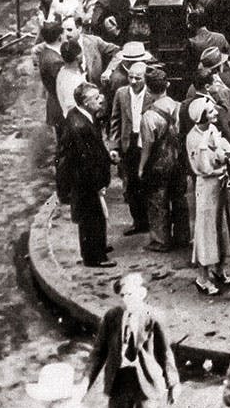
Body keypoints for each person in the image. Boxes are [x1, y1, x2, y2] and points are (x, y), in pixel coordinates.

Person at [84, 273, 179, 408]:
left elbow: (165, 352)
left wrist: (173, 383)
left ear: (142, 294)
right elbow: (98, 353)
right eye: (122, 295)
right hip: (118, 380)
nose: (125, 300)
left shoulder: (153, 317)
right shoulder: (112, 316)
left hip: (146, 380)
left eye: (129, 294)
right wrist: (85, 381)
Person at [57, 82, 115, 267]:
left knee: (95, 216)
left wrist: (107, 156)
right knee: (92, 217)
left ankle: (98, 246)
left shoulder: (82, 116)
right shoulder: (80, 126)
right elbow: (86, 161)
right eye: (96, 98)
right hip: (86, 181)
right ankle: (94, 257)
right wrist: (99, 184)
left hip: (85, 179)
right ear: (85, 102)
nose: (101, 99)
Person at [186, 97, 230, 295]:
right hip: (207, 187)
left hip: (221, 184)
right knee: (206, 230)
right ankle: (202, 277)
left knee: (223, 226)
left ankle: (219, 269)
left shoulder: (213, 131)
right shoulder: (193, 138)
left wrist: (229, 156)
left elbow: (222, 151)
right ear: (201, 116)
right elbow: (203, 167)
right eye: (211, 112)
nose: (216, 113)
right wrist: (223, 160)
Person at [138, 69, 189, 253]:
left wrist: (142, 167)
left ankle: (161, 240)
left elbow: (147, 145)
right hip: (178, 159)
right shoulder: (179, 106)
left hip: (158, 163)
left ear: (148, 90)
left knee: (157, 200)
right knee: (179, 198)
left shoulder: (149, 116)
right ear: (167, 85)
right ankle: (183, 236)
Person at [109, 61, 152, 237]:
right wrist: (114, 146)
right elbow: (115, 120)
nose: (133, 81)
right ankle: (138, 222)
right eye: (131, 77)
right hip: (129, 143)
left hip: (147, 142)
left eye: (138, 78)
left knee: (149, 183)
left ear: (145, 78)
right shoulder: (121, 93)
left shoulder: (151, 94)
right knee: (131, 185)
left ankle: (153, 221)